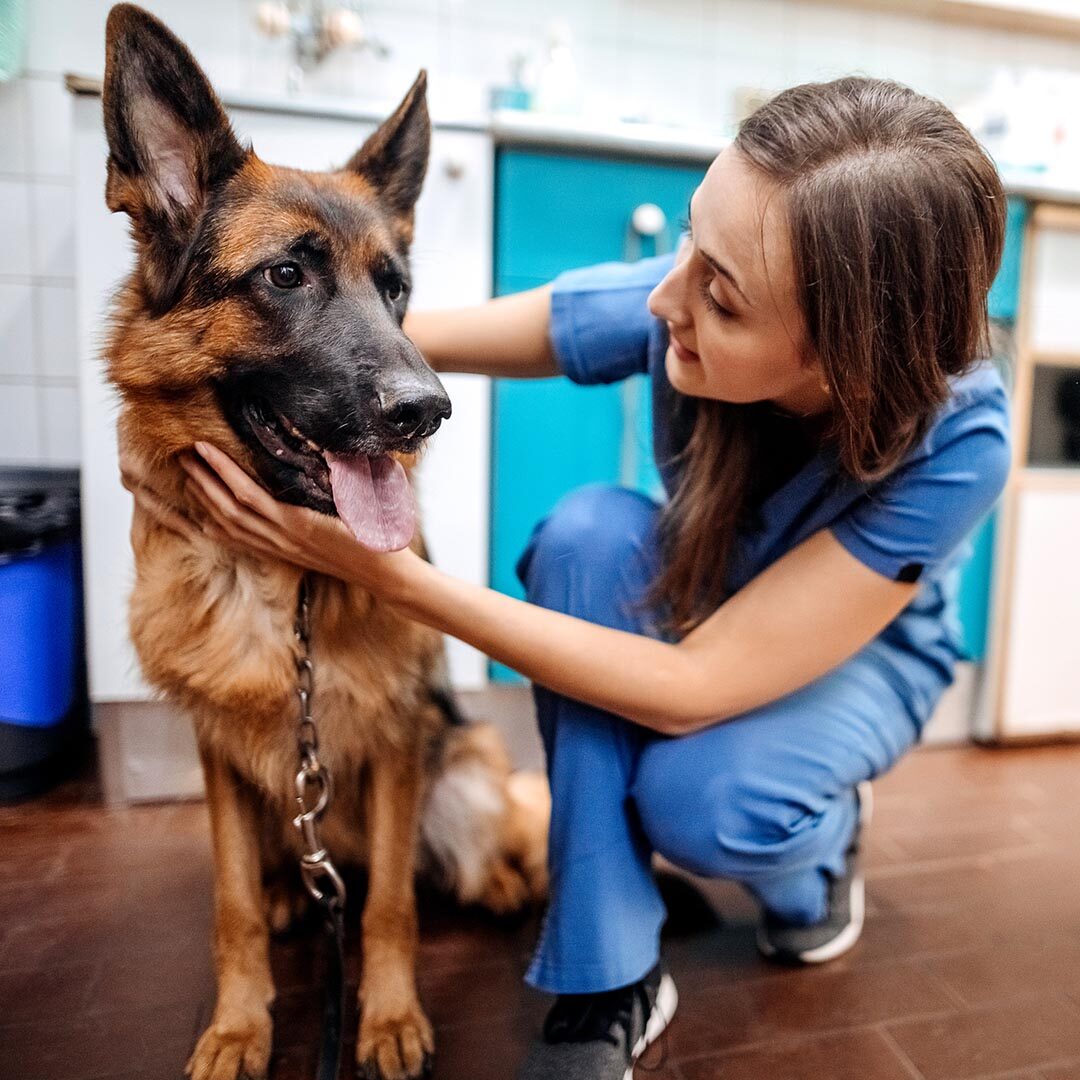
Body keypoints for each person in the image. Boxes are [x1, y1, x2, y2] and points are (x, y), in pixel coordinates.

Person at [131, 76, 1012, 1080]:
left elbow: (696, 691)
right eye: (689, 245)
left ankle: (822, 852)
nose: (663, 299)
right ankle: (611, 969)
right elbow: (410, 342)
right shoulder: (686, 294)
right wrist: (172, 408)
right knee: (589, 533)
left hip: (854, 660)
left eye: (719, 297)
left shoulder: (961, 439)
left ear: (849, 354)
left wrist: (393, 577)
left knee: (710, 802)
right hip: (704, 597)